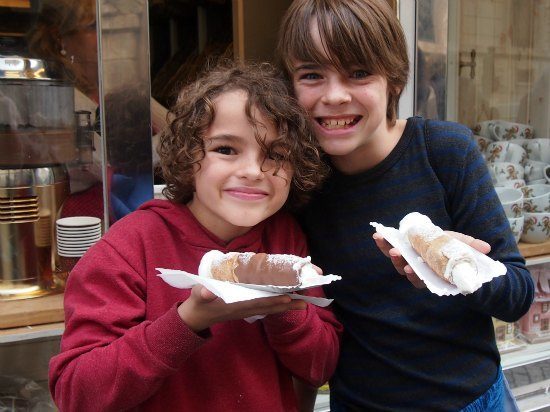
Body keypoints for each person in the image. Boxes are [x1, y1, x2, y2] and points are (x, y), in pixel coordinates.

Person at [277, 0, 534, 410]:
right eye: (312, 75)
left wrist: (464, 269)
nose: (335, 96)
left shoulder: (444, 152)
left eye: (359, 73)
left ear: (393, 80)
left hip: (470, 400)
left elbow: (518, 295)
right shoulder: (298, 182)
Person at [48, 61, 342, 412]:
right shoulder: (128, 248)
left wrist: (285, 310)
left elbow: (320, 367)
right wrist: (189, 320)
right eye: (226, 149)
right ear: (188, 157)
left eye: (276, 154)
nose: (252, 171)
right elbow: (76, 393)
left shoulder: (283, 238)